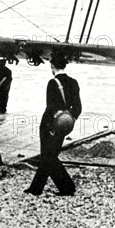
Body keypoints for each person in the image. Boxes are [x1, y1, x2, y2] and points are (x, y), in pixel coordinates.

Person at [25, 53, 81, 196]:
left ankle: (67, 187)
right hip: (64, 123)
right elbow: (78, 108)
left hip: (50, 124)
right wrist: (69, 119)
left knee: (48, 156)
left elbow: (50, 107)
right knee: (50, 156)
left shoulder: (52, 83)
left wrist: (50, 127)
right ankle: (36, 188)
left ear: (52, 67)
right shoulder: (74, 82)